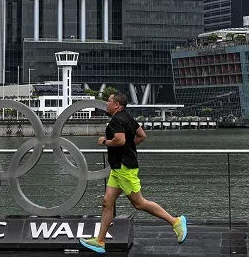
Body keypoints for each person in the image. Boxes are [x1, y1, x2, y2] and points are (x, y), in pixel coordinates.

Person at [79, 92, 187, 254]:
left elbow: (120, 140)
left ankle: (175, 222)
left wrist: (104, 142)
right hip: (118, 168)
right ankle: (100, 241)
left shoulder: (116, 120)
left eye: (109, 101)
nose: (107, 104)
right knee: (107, 202)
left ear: (116, 105)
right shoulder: (128, 118)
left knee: (139, 203)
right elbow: (142, 135)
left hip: (124, 168)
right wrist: (129, 148)